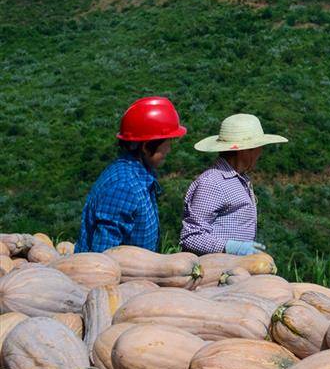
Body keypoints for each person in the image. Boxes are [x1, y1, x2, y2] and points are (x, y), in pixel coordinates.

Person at [77, 96, 187, 252]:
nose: (169, 150)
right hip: (118, 275)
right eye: (167, 143)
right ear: (146, 146)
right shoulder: (123, 187)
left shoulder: (141, 176)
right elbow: (102, 256)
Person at [179, 112, 287, 256]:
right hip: (215, 272)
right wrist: (230, 247)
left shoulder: (241, 178)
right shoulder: (212, 183)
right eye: (258, 148)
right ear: (246, 151)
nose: (260, 153)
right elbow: (191, 237)